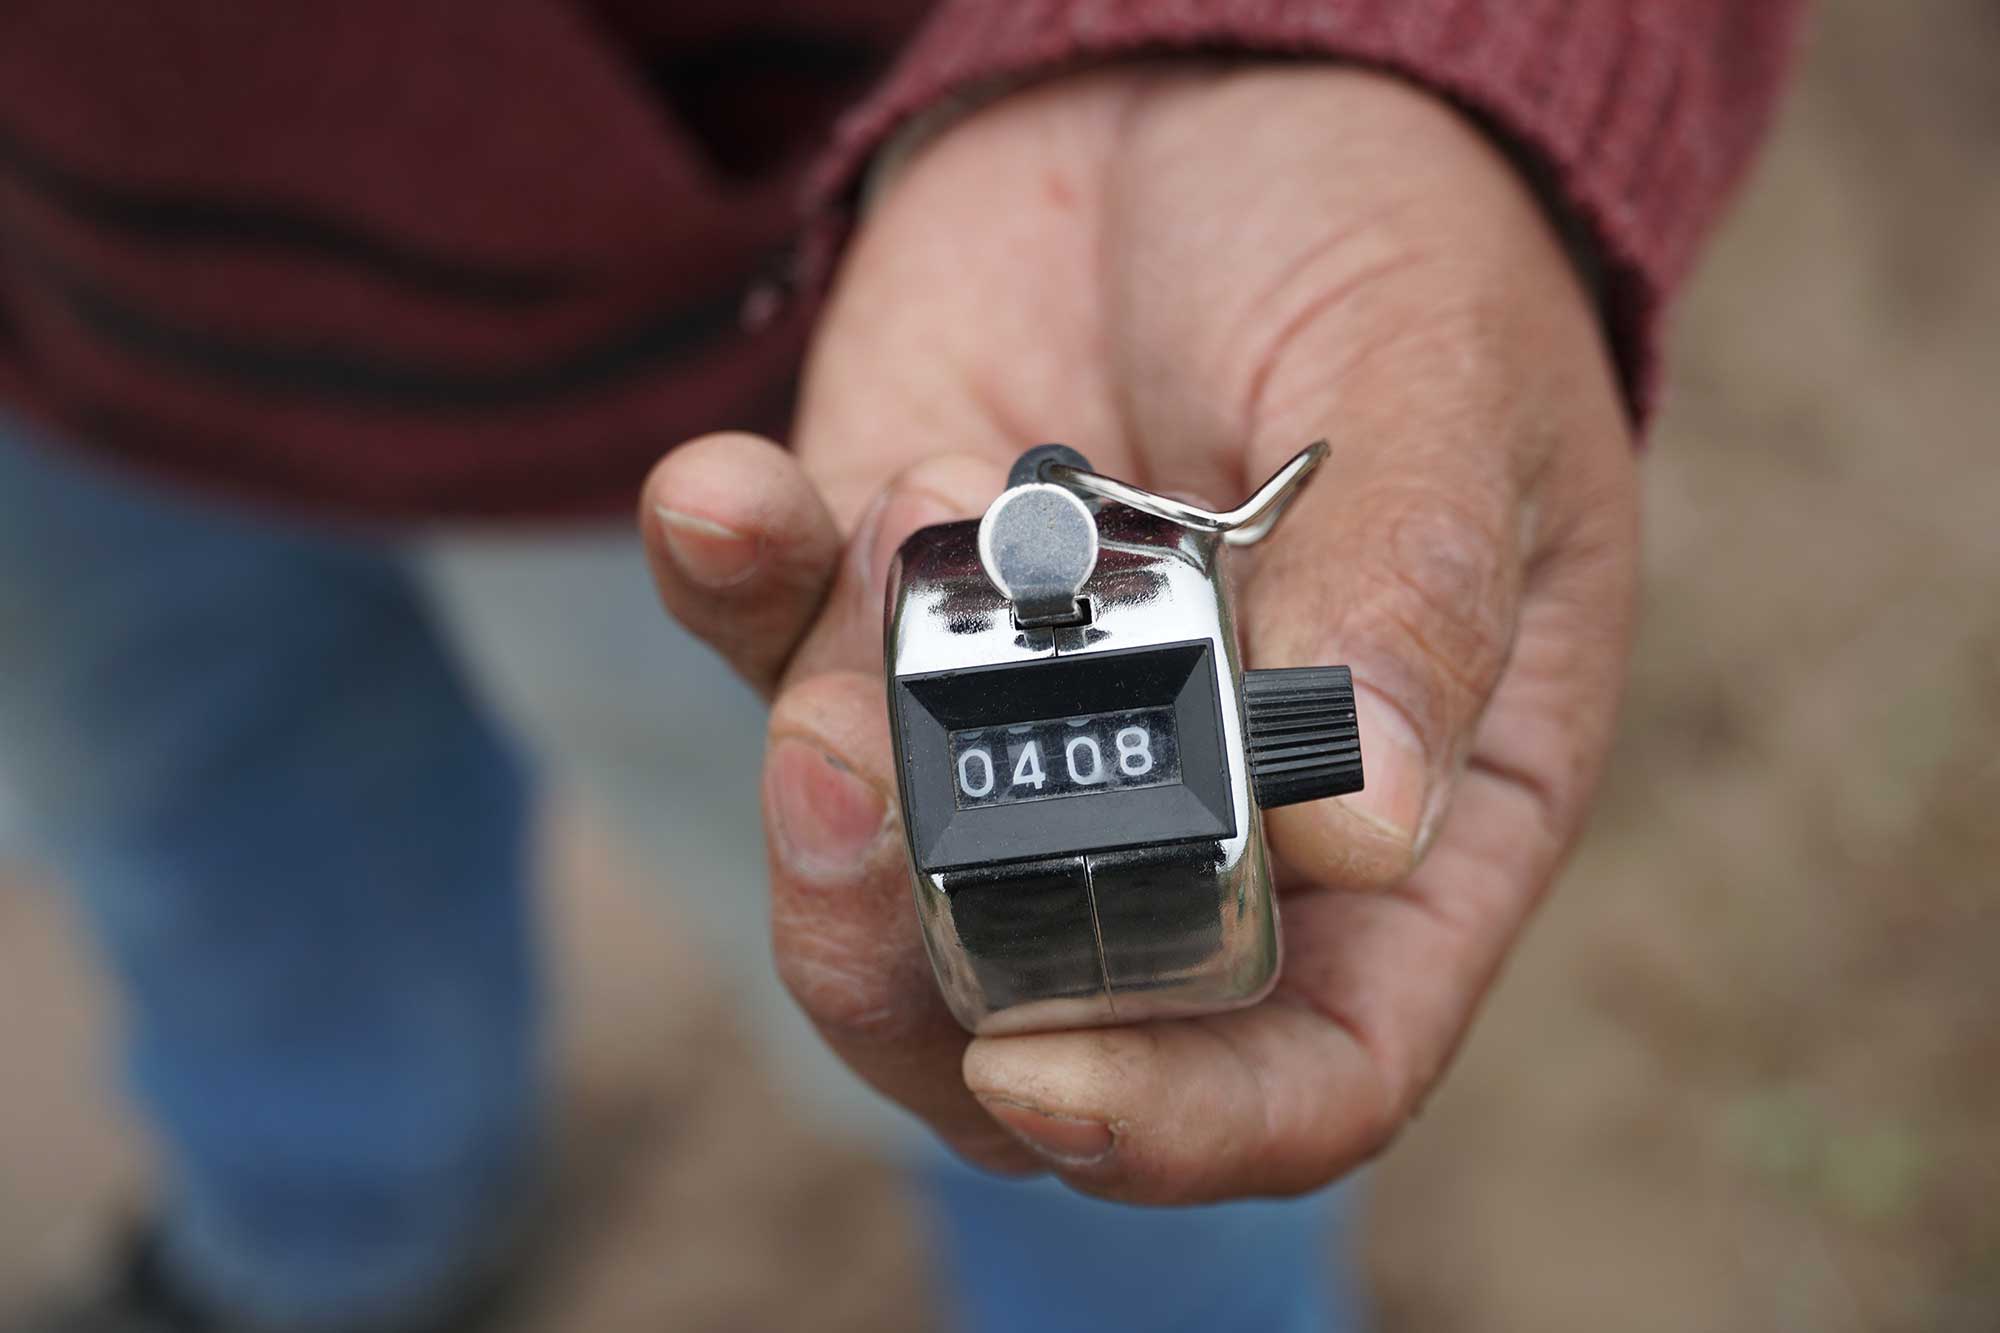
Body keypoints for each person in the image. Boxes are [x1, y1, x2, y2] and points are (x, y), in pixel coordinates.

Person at [0, 3, 1803, 1330]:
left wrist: (1356, 49)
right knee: (206, 839)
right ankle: (325, 1235)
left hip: (785, 323)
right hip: (65, 324)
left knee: (1079, 1083)